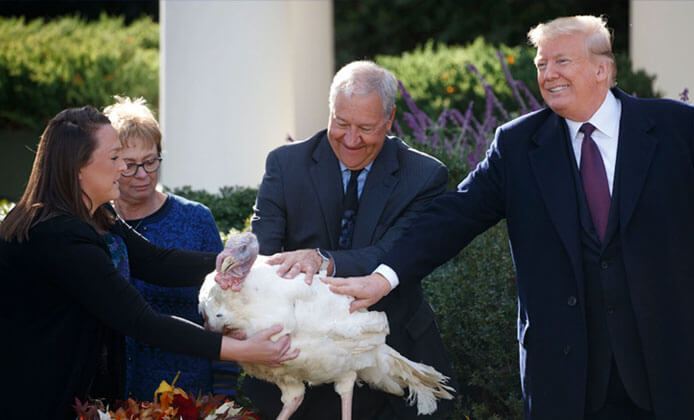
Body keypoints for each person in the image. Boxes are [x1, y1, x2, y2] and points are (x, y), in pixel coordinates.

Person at [325, 15, 694, 420]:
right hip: (569, 378)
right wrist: (383, 277)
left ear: (602, 69)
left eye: (561, 61)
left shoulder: (677, 128)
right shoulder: (518, 145)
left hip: (677, 362)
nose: (547, 73)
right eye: (541, 63)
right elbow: (452, 216)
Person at [0, 106, 298, 420]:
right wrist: (242, 349)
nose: (123, 170)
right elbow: (140, 320)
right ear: (78, 168)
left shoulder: (94, 215)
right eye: (116, 159)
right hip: (34, 398)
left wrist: (233, 262)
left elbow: (156, 261)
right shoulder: (59, 235)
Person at [245, 60, 456, 419]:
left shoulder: (424, 176)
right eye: (341, 124)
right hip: (299, 365)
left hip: (391, 357)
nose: (351, 139)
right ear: (330, 112)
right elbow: (265, 250)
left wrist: (323, 260)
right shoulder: (285, 164)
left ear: (389, 121)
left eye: (366, 128)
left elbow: (395, 251)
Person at [103, 96, 239, 400]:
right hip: (111, 393)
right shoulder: (95, 224)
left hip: (188, 392)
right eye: (130, 165)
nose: (143, 174)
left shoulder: (195, 219)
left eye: (150, 161)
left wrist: (224, 393)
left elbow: (225, 311)